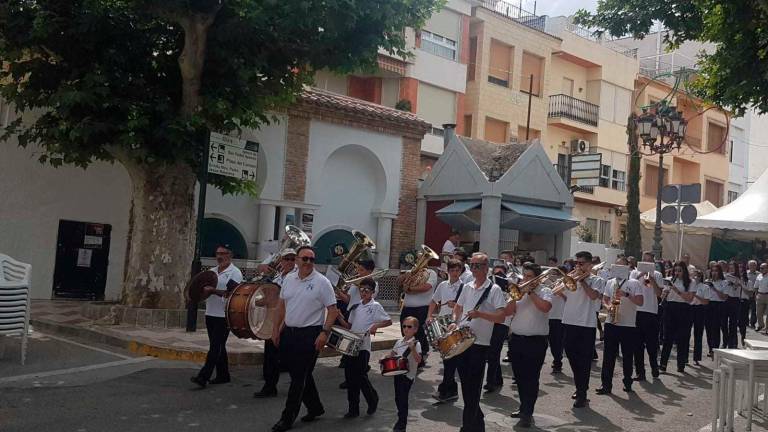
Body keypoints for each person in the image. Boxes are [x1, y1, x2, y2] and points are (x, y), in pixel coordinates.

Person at [270, 246, 338, 432]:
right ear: (297, 260)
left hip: (311, 334)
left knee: (298, 378)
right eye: (304, 259)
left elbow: (332, 310)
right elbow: (281, 307)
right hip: (289, 332)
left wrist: (324, 332)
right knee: (300, 373)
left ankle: (287, 418)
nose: (308, 262)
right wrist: (276, 329)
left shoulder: (322, 282)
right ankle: (316, 407)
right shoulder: (289, 279)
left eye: (311, 259)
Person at [450, 252, 506, 431]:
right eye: (472, 265)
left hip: (480, 344)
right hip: (461, 340)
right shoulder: (467, 286)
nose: (473, 269)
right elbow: (458, 307)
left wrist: (480, 314)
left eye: (477, 266)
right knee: (466, 387)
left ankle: (467, 427)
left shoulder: (494, 289)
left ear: (486, 268)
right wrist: (453, 321)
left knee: (473, 388)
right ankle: (478, 424)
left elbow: (501, 317)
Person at [503, 262, 552, 428]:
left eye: (529, 276)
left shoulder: (545, 290)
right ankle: (524, 406)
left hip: (536, 341)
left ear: (537, 278)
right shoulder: (519, 291)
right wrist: (513, 295)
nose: (525, 279)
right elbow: (508, 312)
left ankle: (527, 412)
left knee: (531, 378)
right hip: (516, 339)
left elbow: (545, 308)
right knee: (519, 377)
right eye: (524, 276)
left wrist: (530, 292)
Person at [335, 277, 391, 418]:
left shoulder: (375, 306)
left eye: (367, 290)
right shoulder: (355, 306)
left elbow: (388, 321)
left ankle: (372, 399)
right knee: (350, 377)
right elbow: (349, 326)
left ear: (372, 292)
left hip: (363, 347)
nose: (364, 292)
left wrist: (375, 326)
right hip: (350, 346)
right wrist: (340, 317)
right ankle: (353, 409)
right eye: (361, 290)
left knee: (360, 377)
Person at [191, 244, 243, 388]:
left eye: (223, 253)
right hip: (210, 313)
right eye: (218, 253)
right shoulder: (212, 272)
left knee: (215, 347)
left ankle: (203, 376)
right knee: (219, 346)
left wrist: (213, 291)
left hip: (224, 315)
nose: (220, 256)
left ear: (230, 255)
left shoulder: (235, 272)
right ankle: (223, 375)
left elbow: (231, 293)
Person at [561, 251, 604, 408]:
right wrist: (570, 279)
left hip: (586, 324)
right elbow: (558, 292)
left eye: (581, 264)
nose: (577, 266)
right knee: (572, 357)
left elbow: (593, 296)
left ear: (589, 265)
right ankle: (580, 387)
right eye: (576, 263)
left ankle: (582, 393)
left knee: (584, 361)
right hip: (569, 321)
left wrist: (583, 281)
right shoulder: (570, 278)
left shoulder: (597, 280)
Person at [254, 248, 297, 398]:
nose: (290, 262)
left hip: (286, 322)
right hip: (273, 320)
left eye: (293, 259)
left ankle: (299, 386)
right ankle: (269, 386)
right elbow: (271, 297)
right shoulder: (278, 276)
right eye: (287, 259)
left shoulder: (295, 278)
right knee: (270, 355)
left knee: (288, 357)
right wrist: (254, 301)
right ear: (281, 261)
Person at [596, 265, 644, 395]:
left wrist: (626, 294)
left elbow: (640, 302)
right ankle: (606, 385)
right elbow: (605, 299)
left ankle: (627, 382)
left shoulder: (634, 283)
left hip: (628, 325)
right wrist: (608, 306)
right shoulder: (611, 282)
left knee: (627, 355)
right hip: (611, 322)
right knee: (608, 356)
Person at [427, 259, 464, 402]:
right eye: (452, 270)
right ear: (448, 271)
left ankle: (444, 390)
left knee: (450, 358)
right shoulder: (442, 285)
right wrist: (429, 316)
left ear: (460, 271)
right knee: (446, 357)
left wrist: (455, 305)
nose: (455, 273)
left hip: (454, 324)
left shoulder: (464, 287)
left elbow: (464, 307)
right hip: (442, 323)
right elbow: (433, 301)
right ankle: (452, 389)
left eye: (457, 270)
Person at [400, 257, 437, 367]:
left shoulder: (431, 273)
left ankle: (421, 356)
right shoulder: (411, 271)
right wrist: (404, 277)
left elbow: (427, 287)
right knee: (405, 332)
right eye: (419, 259)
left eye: (423, 258)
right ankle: (408, 354)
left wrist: (410, 289)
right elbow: (398, 282)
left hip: (422, 308)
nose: (419, 261)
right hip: (407, 308)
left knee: (419, 333)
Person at [631, 252, 663, 381]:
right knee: (637, 344)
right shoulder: (634, 273)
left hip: (651, 312)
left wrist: (652, 279)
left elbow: (659, 293)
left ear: (653, 263)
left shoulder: (658, 275)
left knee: (651, 344)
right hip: (637, 311)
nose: (646, 263)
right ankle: (640, 372)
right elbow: (631, 286)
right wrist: (640, 275)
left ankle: (654, 367)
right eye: (644, 260)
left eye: (649, 261)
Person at [659, 262, 695, 374]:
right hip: (670, 308)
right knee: (667, 338)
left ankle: (681, 365)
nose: (677, 273)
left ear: (684, 271)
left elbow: (689, 299)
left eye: (679, 270)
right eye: (675, 270)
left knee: (682, 338)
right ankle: (663, 364)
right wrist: (664, 293)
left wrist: (676, 290)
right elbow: (661, 296)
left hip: (684, 309)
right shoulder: (669, 280)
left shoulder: (690, 282)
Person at [389, 316, 422, 432]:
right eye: (404, 326)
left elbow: (418, 360)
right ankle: (400, 418)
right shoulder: (399, 341)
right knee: (398, 398)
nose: (406, 329)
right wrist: (384, 358)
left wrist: (412, 349)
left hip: (408, 376)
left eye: (409, 327)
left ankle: (402, 423)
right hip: (397, 373)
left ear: (415, 330)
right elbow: (392, 354)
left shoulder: (416, 344)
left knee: (403, 399)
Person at [484, 264, 511, 393]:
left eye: (501, 273)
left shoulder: (510, 286)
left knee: (494, 351)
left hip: (503, 322)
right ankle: (497, 378)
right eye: (496, 273)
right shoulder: (490, 286)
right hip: (490, 321)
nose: (498, 275)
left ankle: (490, 382)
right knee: (491, 353)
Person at [547, 265, 568, 374]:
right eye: (554, 274)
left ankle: (557, 361)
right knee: (550, 341)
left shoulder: (568, 284)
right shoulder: (548, 284)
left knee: (557, 342)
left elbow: (571, 300)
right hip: (548, 315)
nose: (556, 276)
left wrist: (562, 294)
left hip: (560, 316)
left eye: (558, 274)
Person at [705, 264, 728, 357]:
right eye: (713, 271)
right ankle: (710, 348)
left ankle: (715, 348)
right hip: (708, 304)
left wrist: (714, 288)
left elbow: (724, 297)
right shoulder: (707, 281)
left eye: (716, 271)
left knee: (715, 328)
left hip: (718, 305)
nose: (714, 273)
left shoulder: (724, 282)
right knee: (708, 328)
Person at [689, 269, 711, 365]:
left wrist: (696, 296)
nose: (695, 277)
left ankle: (697, 357)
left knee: (698, 334)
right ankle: (684, 357)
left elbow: (706, 302)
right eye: (694, 275)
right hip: (689, 308)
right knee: (686, 333)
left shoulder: (705, 287)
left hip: (700, 309)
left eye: (697, 276)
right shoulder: (689, 285)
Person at [734, 261, 752, 347]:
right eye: (739, 268)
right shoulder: (734, 279)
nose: (740, 270)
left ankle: (743, 337)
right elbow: (733, 290)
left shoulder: (748, 281)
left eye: (742, 268)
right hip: (735, 301)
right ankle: (734, 342)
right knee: (734, 322)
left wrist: (742, 285)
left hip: (744, 302)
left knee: (742, 322)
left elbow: (750, 294)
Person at [755, 263, 768, 333]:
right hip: (760, 295)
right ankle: (761, 325)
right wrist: (756, 295)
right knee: (758, 313)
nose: (761, 269)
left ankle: (767, 328)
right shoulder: (759, 276)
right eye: (760, 268)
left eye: (763, 268)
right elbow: (756, 286)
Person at [747, 260, 759, 328]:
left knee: (754, 309)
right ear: (748, 266)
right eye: (751, 265)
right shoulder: (745, 273)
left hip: (755, 293)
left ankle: (752, 323)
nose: (752, 266)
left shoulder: (759, 274)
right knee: (745, 308)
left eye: (754, 265)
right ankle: (745, 321)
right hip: (747, 293)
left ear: (756, 266)